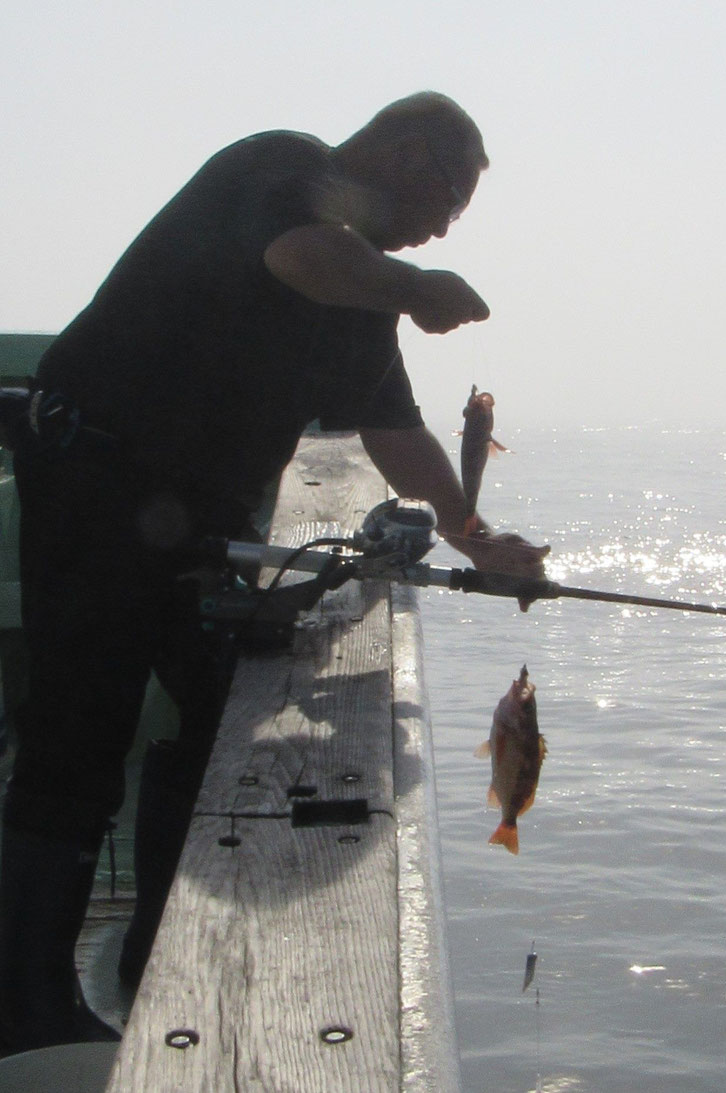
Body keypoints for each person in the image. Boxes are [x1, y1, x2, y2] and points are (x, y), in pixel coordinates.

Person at [0, 91, 548, 1054]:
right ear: (406, 153)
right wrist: (420, 287)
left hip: (197, 523)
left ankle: (148, 954)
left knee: (215, 714)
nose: (442, 225)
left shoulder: (363, 305)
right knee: (77, 736)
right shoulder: (278, 169)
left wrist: (477, 538)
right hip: (92, 479)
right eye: (449, 199)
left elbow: (395, 434)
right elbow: (303, 256)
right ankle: (21, 1000)